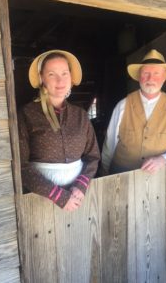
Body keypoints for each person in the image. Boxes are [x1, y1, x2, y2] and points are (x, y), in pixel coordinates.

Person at [18, 50, 100, 211]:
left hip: (78, 198)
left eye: (64, 73)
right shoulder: (26, 114)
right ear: (42, 78)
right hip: (38, 200)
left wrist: (81, 186)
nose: (60, 80)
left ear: (71, 77)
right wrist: (58, 196)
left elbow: (93, 156)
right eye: (51, 74)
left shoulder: (81, 115)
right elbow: (21, 165)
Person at [101, 49, 166, 175]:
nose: (150, 78)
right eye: (146, 73)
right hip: (120, 177)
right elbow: (109, 145)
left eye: (156, 74)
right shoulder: (122, 105)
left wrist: (163, 159)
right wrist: (104, 172)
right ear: (139, 77)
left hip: (158, 179)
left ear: (164, 77)